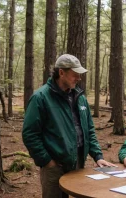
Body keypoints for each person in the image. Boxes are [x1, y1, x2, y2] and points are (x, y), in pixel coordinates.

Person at [22, 54, 116, 198]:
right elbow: (30, 134)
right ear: (61, 72)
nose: (79, 78)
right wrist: (47, 161)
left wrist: (98, 156)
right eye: (75, 74)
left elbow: (88, 130)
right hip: (55, 166)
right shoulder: (40, 98)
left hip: (78, 162)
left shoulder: (80, 99)